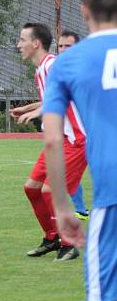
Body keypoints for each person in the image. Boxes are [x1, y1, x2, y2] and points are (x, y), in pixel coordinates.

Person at [42, 0, 117, 301]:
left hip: (111, 193)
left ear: (84, 9)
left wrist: (62, 208)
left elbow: (53, 139)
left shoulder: (67, 64)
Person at [13, 23, 87, 261]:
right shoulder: (42, 69)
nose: (18, 44)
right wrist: (31, 107)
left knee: (50, 191)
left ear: (36, 43)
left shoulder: (54, 64)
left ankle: (70, 244)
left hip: (76, 139)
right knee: (31, 188)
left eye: (22, 39)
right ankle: (52, 237)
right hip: (61, 139)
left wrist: (39, 111)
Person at [58, 30, 89, 220]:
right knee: (67, 174)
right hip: (76, 137)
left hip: (90, 135)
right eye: (60, 46)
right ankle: (81, 210)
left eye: (67, 46)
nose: (62, 50)